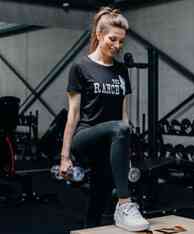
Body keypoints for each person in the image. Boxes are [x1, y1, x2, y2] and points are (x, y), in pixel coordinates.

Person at [59, 7, 150, 231]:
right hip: (85, 137)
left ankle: (92, 226)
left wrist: (125, 150)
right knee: (119, 128)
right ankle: (125, 204)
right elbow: (73, 114)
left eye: (121, 42)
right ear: (99, 35)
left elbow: (124, 114)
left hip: (110, 142)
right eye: (112, 39)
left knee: (98, 199)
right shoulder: (80, 67)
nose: (117, 46)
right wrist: (64, 156)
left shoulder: (121, 70)